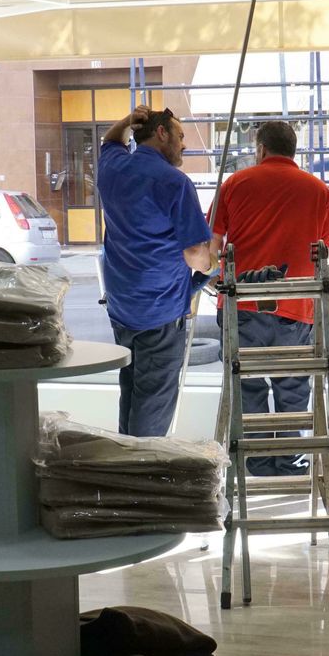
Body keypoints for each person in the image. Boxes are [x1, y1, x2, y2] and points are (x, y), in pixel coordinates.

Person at [210, 121, 329, 477]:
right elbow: (324, 249)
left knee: (246, 382)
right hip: (297, 307)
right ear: (292, 150)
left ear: (261, 149)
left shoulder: (235, 184)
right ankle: (293, 459)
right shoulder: (319, 191)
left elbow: (213, 244)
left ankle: (257, 460)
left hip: (242, 307)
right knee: (293, 383)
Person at [97, 106, 215, 437]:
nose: (184, 145)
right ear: (161, 133)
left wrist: (125, 121)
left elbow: (110, 140)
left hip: (122, 308)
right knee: (152, 406)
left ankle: (125, 469)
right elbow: (195, 254)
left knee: (132, 392)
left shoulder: (113, 168)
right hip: (159, 312)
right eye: (179, 136)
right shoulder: (173, 182)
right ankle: (142, 476)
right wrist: (213, 263)